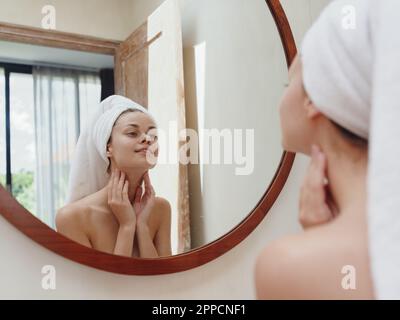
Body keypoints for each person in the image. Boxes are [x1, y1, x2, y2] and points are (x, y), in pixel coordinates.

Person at [56, 95, 172, 258]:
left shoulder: (160, 209)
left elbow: (165, 280)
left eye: (153, 135)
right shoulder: (72, 217)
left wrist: (142, 228)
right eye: (132, 133)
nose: (147, 139)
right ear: (108, 147)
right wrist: (127, 226)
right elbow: (103, 284)